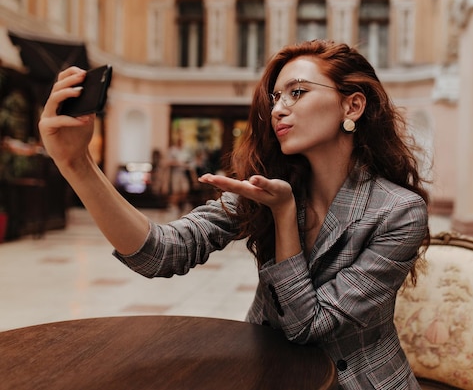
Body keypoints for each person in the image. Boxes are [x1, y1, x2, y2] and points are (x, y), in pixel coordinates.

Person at [39, 39, 430, 390]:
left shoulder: (398, 212)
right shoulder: (268, 184)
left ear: (353, 104)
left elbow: (308, 327)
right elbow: (159, 253)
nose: (279, 108)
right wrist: (77, 163)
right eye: (276, 97)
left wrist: (283, 216)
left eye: (297, 92)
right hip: (271, 372)